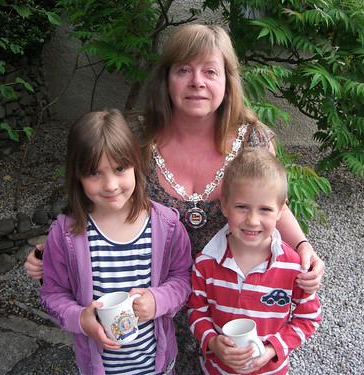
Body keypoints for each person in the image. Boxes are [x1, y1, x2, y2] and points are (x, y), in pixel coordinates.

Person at [25, 23, 325, 372]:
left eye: (210, 71)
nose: (197, 81)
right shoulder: (136, 136)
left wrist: (303, 245)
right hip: (150, 310)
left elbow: (275, 202)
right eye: (184, 70)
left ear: (227, 81)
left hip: (224, 300)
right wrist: (52, 251)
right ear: (166, 79)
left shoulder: (253, 140)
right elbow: (99, 197)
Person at [39, 109, 192, 375]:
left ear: (137, 163)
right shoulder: (65, 234)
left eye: (120, 168)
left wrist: (158, 300)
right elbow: (52, 294)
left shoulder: (166, 225)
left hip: (158, 365)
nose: (110, 185)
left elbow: (184, 278)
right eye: (94, 173)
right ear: (77, 175)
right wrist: (81, 319)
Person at [187, 148, 322, 374]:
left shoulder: (293, 266)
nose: (252, 220)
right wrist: (212, 342)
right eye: (242, 207)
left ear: (281, 210)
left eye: (265, 210)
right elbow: (196, 312)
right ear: (224, 205)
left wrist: (271, 349)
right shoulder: (205, 263)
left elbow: (308, 318)